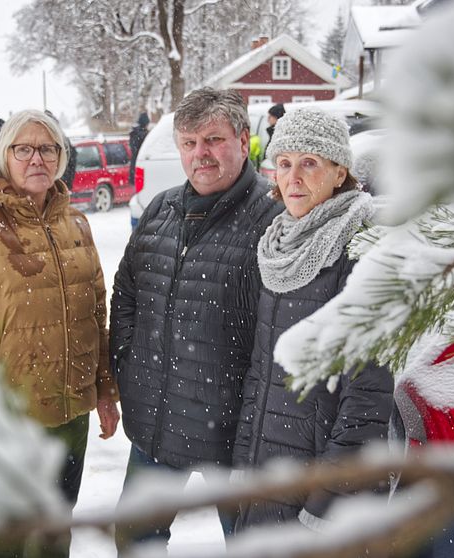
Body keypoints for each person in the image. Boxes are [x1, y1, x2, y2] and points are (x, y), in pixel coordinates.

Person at [0, 109, 119, 558]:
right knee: (2, 536)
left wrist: (105, 391)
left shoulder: (76, 224)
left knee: (55, 526)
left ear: (61, 156)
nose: (38, 159)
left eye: (48, 148)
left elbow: (95, 314)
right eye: (24, 149)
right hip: (7, 418)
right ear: (4, 156)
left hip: (72, 413)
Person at [109, 87, 281, 551]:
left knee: (251, 544)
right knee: (134, 537)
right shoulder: (161, 210)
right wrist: (129, 365)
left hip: (234, 434)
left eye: (213, 140)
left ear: (243, 141)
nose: (200, 154)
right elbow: (126, 293)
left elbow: (285, 327)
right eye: (189, 143)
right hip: (157, 421)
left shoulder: (276, 215)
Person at [232, 107, 393, 533]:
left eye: (310, 163)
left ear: (340, 172)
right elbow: (261, 374)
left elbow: (368, 399)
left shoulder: (361, 250)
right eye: (284, 164)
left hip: (314, 491)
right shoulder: (277, 246)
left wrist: (328, 502)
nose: (293, 177)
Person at [127, 111, 150, 185]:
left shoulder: (135, 133)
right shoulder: (142, 134)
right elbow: (139, 150)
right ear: (145, 124)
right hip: (140, 164)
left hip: (135, 164)